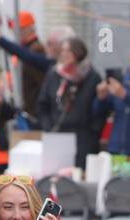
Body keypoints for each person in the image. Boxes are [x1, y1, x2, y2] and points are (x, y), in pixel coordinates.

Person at [34, 37, 102, 167]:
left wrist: (92, 131)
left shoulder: (92, 77)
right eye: (63, 50)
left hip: (83, 137)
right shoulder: (54, 74)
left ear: (78, 53)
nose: (64, 54)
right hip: (57, 133)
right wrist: (48, 127)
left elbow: (99, 110)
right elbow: (43, 104)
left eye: (68, 50)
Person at [0, 11, 49, 121]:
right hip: (32, 111)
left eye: (19, 29)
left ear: (29, 29)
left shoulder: (36, 49)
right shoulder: (30, 49)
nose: (16, 33)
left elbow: (40, 84)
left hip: (35, 113)